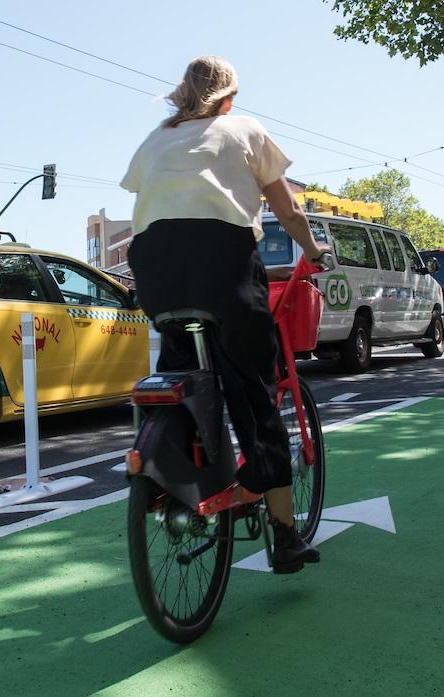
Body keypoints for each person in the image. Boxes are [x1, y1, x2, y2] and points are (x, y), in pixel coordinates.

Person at [121, 55, 330, 574]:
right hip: (223, 264)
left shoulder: (154, 140)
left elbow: (147, 202)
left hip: (155, 270)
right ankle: (284, 537)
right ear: (230, 98)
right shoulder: (245, 129)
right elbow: (288, 210)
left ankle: (170, 475)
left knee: (179, 378)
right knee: (255, 395)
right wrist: (315, 250)